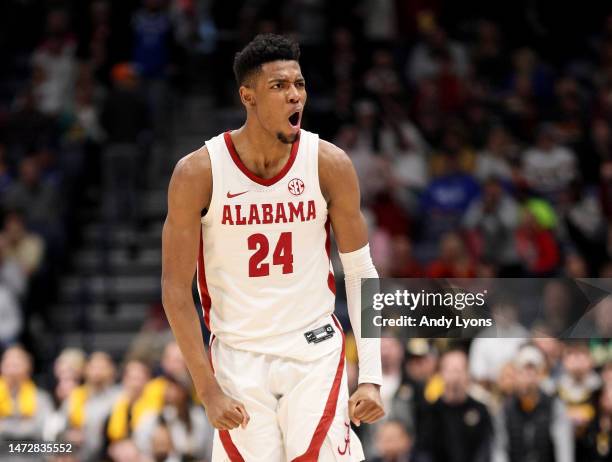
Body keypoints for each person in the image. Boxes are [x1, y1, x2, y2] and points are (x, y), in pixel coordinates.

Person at [161, 34, 384, 461]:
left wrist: (370, 375)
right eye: (279, 86)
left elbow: (361, 273)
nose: (294, 95)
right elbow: (175, 290)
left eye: (299, 84)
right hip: (237, 358)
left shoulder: (329, 163)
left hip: (313, 350)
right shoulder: (198, 173)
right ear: (248, 96)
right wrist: (207, 390)